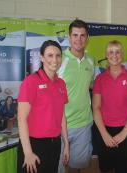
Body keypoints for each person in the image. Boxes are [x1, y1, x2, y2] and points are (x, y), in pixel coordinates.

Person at [17, 40, 69, 173]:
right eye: (50, 55)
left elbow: (61, 116)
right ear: (41, 57)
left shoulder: (61, 83)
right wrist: (28, 153)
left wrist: (66, 144)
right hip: (33, 145)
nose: (55, 60)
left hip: (54, 144)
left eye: (58, 55)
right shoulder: (31, 81)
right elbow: (21, 119)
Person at [93, 40, 127, 173]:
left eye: (118, 52)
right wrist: (104, 134)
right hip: (104, 130)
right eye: (111, 52)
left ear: (122, 54)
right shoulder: (100, 79)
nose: (114, 55)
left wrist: (124, 133)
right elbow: (96, 107)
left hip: (126, 130)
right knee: (106, 168)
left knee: (123, 168)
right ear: (106, 55)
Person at [57, 19, 94, 173]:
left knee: (76, 167)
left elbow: (90, 86)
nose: (79, 39)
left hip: (83, 124)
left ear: (87, 38)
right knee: (59, 167)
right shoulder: (59, 60)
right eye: (75, 35)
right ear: (69, 36)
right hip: (60, 125)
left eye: (82, 35)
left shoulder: (90, 61)